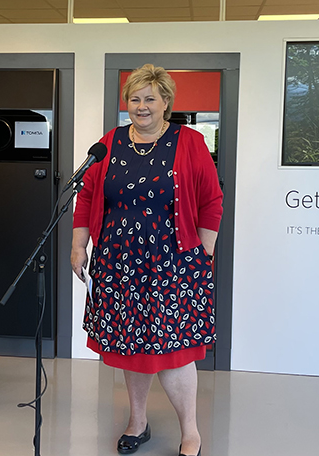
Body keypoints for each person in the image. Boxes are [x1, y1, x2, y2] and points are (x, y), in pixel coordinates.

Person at [71, 64, 222, 456]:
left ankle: (191, 431)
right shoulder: (111, 142)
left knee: (174, 352)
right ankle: (138, 421)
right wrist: (78, 244)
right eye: (135, 98)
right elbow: (87, 196)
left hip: (172, 263)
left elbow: (212, 199)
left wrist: (203, 252)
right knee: (131, 347)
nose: (141, 106)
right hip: (118, 262)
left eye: (149, 99)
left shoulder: (188, 141)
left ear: (165, 102)